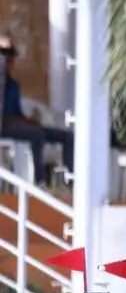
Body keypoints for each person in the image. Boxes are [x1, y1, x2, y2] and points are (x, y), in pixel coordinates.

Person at [0, 41, 74, 186]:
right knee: (37, 134)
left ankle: (70, 182)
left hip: (15, 124)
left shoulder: (14, 85)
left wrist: (30, 120)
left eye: (11, 59)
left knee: (68, 137)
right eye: (6, 58)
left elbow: (16, 113)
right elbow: (6, 116)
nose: (10, 63)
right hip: (4, 126)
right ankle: (40, 181)